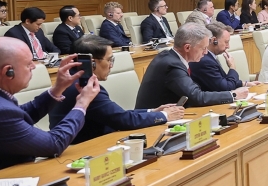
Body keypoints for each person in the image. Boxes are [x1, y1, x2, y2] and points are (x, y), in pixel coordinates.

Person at [0, 38, 99, 176]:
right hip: (5, 180)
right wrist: (82, 104)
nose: (34, 66)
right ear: (8, 71)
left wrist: (58, 88)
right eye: (28, 64)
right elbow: (54, 144)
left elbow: (18, 115)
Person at [49, 35, 183, 143]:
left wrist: (153, 111)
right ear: (92, 63)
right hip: (82, 149)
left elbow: (116, 114)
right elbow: (123, 120)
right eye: (109, 60)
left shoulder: (71, 80)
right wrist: (165, 115)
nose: (111, 65)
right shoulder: (84, 88)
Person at [135, 24, 249, 109]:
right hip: (152, 124)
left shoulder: (168, 56)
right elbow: (197, 97)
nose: (205, 53)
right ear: (187, 47)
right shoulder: (172, 66)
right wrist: (233, 95)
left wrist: (240, 84)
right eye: (203, 48)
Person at [188, 23, 249, 92]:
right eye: (226, 42)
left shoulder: (209, 57)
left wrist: (244, 84)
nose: (228, 46)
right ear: (214, 40)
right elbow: (226, 88)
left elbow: (220, 81)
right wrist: (232, 67)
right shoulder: (205, 61)